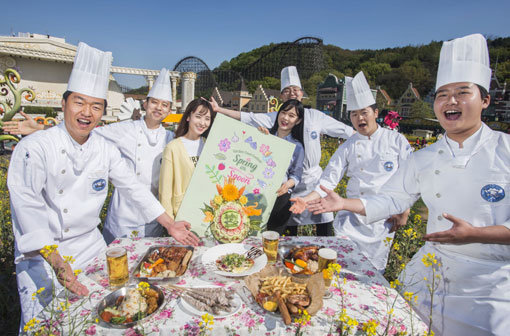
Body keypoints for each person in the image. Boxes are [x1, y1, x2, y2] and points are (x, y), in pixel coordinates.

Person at [303, 34, 510, 335]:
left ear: (486, 100)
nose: (450, 101)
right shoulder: (425, 158)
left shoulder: (506, 150)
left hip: (491, 284)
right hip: (431, 269)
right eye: (442, 94)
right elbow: (391, 198)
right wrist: (342, 203)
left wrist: (477, 234)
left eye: (462, 92)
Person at [8, 43, 199, 329]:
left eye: (96, 106)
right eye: (79, 102)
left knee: (103, 318)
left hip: (90, 244)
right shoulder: (34, 148)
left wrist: (169, 224)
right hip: (42, 256)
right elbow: (28, 208)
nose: (87, 112)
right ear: (64, 103)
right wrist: (58, 262)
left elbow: (133, 187)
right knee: (48, 325)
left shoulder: (103, 148)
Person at [3, 69, 179, 244]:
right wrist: (42, 128)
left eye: (165, 105)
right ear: (145, 104)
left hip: (153, 208)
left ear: (170, 109)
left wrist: (169, 220)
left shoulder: (170, 137)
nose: (159, 108)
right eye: (155, 102)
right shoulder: (125, 129)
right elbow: (87, 130)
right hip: (125, 211)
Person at [206, 66, 354, 236]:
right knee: (287, 231)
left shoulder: (315, 115)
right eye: (287, 90)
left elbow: (345, 130)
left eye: (295, 90)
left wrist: (369, 134)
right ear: (281, 96)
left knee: (324, 228)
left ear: (301, 93)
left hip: (314, 182)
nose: (292, 93)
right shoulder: (274, 116)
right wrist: (218, 110)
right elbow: (246, 117)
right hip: (287, 186)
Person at [290, 71, 411, 272]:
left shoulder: (397, 141)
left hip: (382, 222)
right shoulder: (348, 146)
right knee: (341, 270)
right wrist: (307, 199)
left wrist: (405, 210)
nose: (359, 118)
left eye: (364, 112)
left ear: (376, 113)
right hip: (350, 221)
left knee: (372, 274)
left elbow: (411, 178)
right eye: (354, 114)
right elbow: (328, 181)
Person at [159, 98, 216, 218]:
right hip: (183, 214)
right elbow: (165, 191)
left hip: (209, 213)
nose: (202, 122)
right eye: (198, 116)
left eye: (207, 118)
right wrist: (170, 223)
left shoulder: (210, 145)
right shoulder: (173, 148)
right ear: (188, 117)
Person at [261, 99, 305, 235]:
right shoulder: (265, 136)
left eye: (291, 116)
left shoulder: (297, 146)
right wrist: (258, 137)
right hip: (258, 192)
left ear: (298, 121)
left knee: (273, 239)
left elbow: (296, 174)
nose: (285, 118)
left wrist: (287, 185)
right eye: (283, 113)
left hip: (280, 197)